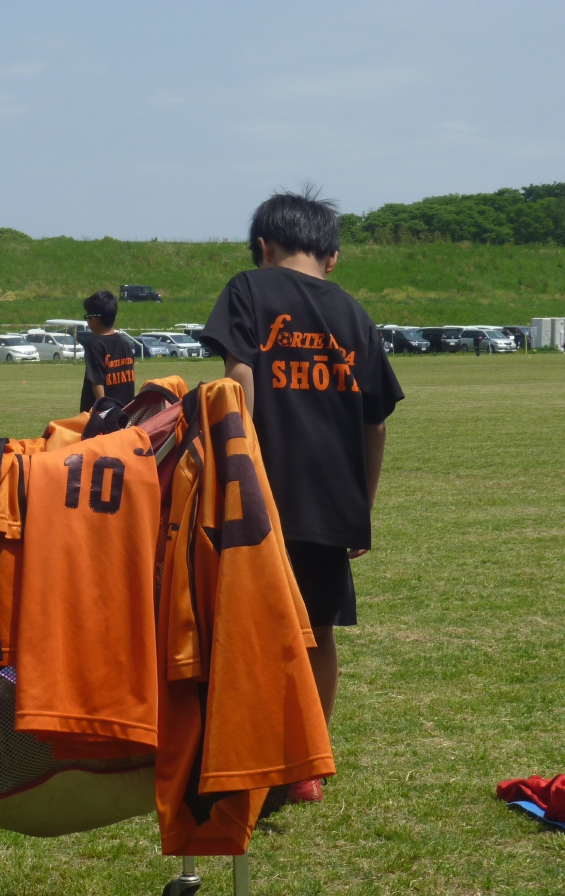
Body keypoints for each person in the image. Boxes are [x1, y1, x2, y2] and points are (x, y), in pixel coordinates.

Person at [199, 189, 403, 805]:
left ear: (263, 246)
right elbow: (375, 424)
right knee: (317, 629)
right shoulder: (356, 316)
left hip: (261, 494)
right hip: (331, 501)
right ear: (332, 256)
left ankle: (247, 753)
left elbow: (238, 382)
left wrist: (236, 475)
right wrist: (362, 507)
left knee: (245, 627)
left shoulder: (248, 289)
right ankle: (308, 764)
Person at [79, 290, 135, 411]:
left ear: (95, 320)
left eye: (87, 317)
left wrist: (103, 412)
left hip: (103, 414)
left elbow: (97, 381)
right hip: (125, 412)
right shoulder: (125, 344)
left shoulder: (95, 345)